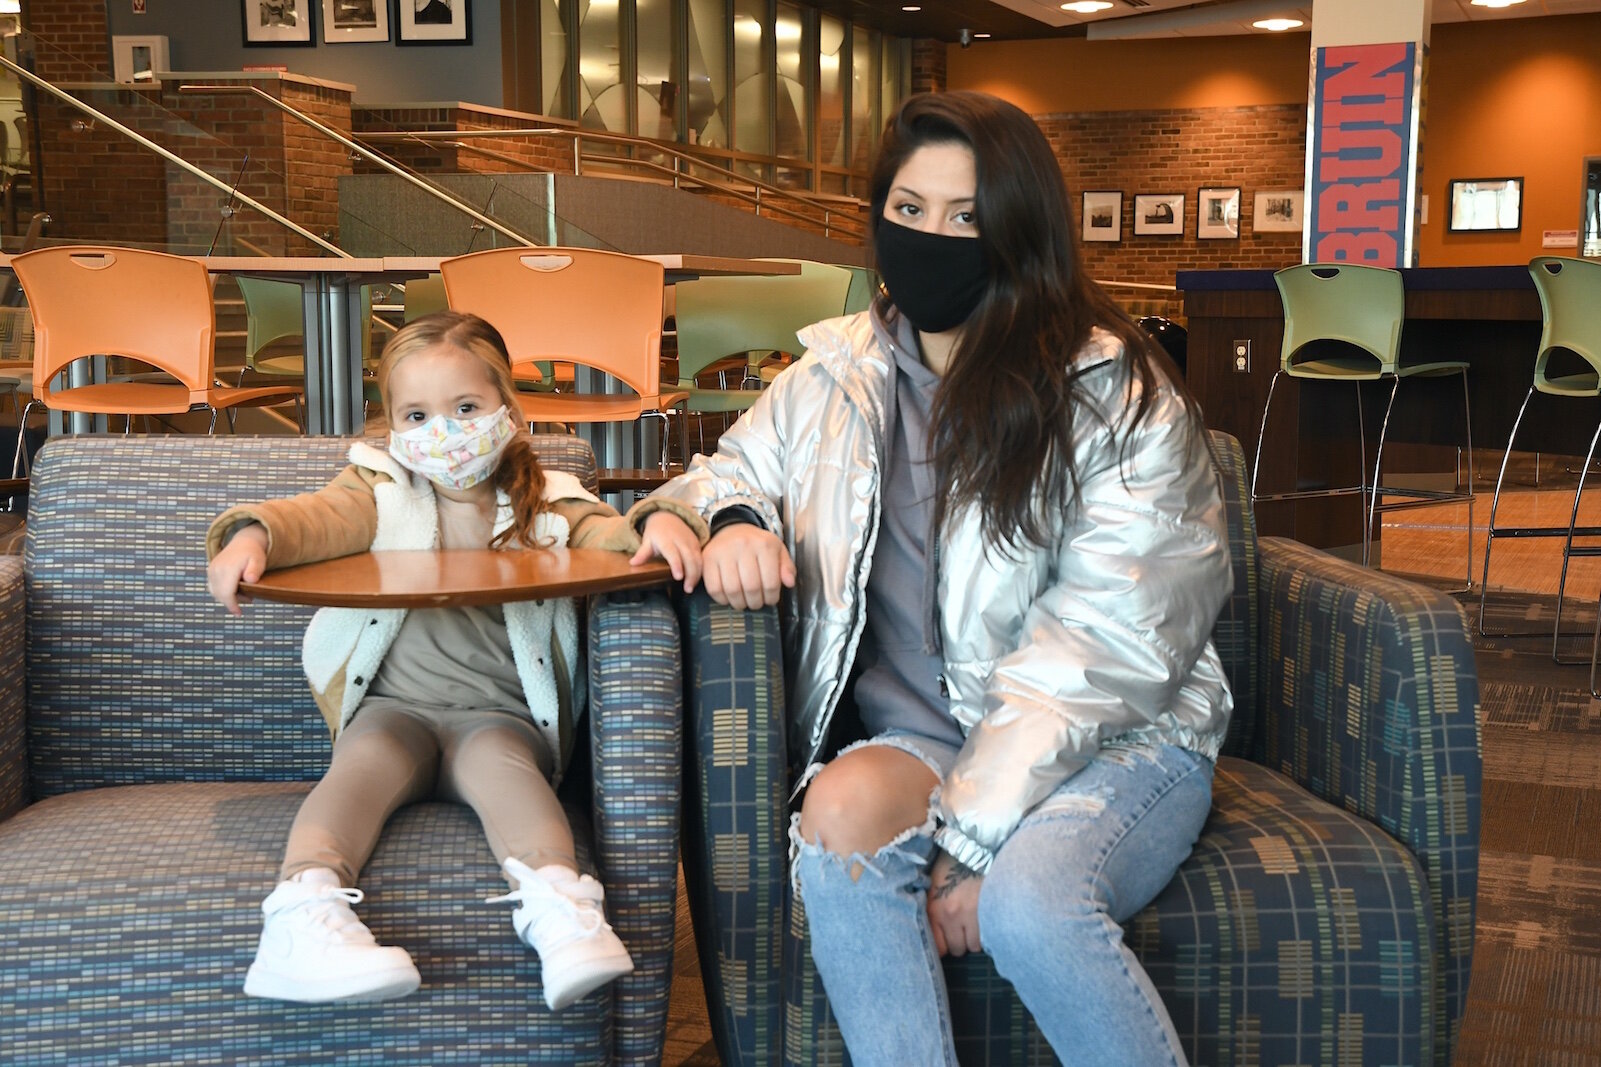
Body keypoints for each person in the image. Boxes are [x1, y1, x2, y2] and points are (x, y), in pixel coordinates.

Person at [642, 91, 1234, 1066]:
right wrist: (727, 516)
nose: (930, 236)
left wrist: (968, 842)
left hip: (1117, 735)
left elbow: (1107, 644)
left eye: (965, 216)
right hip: (925, 735)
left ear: (1019, 230)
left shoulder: (1112, 390)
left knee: (1028, 905)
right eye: (908, 209)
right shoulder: (834, 375)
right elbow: (723, 471)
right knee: (834, 810)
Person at [205, 311, 705, 1009]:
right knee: (356, 772)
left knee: (511, 780)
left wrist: (661, 520)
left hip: (498, 715)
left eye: (465, 407)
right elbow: (313, 518)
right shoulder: (379, 488)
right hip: (393, 707)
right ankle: (301, 915)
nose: (442, 431)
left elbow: (612, 532)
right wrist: (252, 534)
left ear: (509, 408)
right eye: (417, 413)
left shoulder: (551, 500)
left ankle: (561, 912)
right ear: (393, 426)